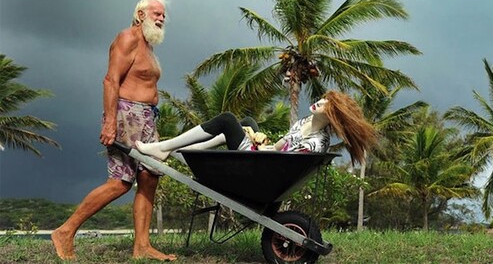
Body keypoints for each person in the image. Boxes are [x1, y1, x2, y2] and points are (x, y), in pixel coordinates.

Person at [51, 0, 176, 261]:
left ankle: (142, 246)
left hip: (147, 117)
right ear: (141, 15)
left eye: (163, 15)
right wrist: (109, 122)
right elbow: (110, 81)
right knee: (120, 182)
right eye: (157, 13)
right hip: (126, 114)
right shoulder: (127, 38)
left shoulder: (149, 48)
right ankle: (65, 231)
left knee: (149, 179)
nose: (162, 18)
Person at [136, 90, 378, 165]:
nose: (320, 102)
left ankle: (164, 148)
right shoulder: (305, 121)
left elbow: (282, 163)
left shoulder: (317, 142)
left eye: (327, 104)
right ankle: (187, 152)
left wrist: (258, 148)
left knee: (228, 120)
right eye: (324, 98)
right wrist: (261, 140)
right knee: (249, 122)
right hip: (265, 158)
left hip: (261, 166)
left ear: (333, 115)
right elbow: (282, 146)